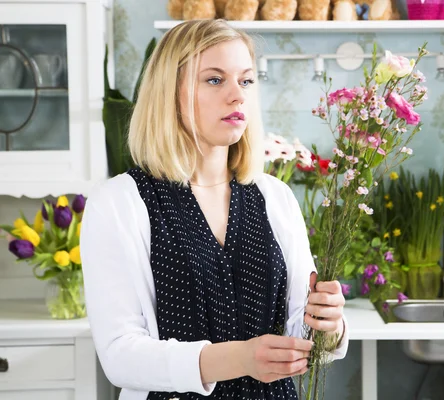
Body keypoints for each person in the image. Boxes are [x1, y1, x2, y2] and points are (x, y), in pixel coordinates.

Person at [80, 19, 348, 400]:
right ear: (169, 93)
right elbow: (120, 355)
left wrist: (327, 324)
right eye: (214, 79)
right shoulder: (120, 203)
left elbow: (297, 333)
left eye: (246, 80)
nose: (238, 96)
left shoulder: (276, 197)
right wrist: (239, 358)